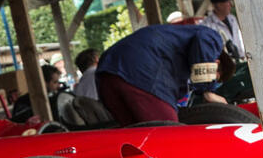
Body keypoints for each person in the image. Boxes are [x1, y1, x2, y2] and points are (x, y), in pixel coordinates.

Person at [95, 24, 234, 125]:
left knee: (138, 142)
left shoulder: (176, 40)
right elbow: (204, 40)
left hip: (107, 73)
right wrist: (208, 90)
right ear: (216, 62)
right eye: (214, 77)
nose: (211, 79)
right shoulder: (212, 38)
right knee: (171, 139)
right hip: (142, 73)